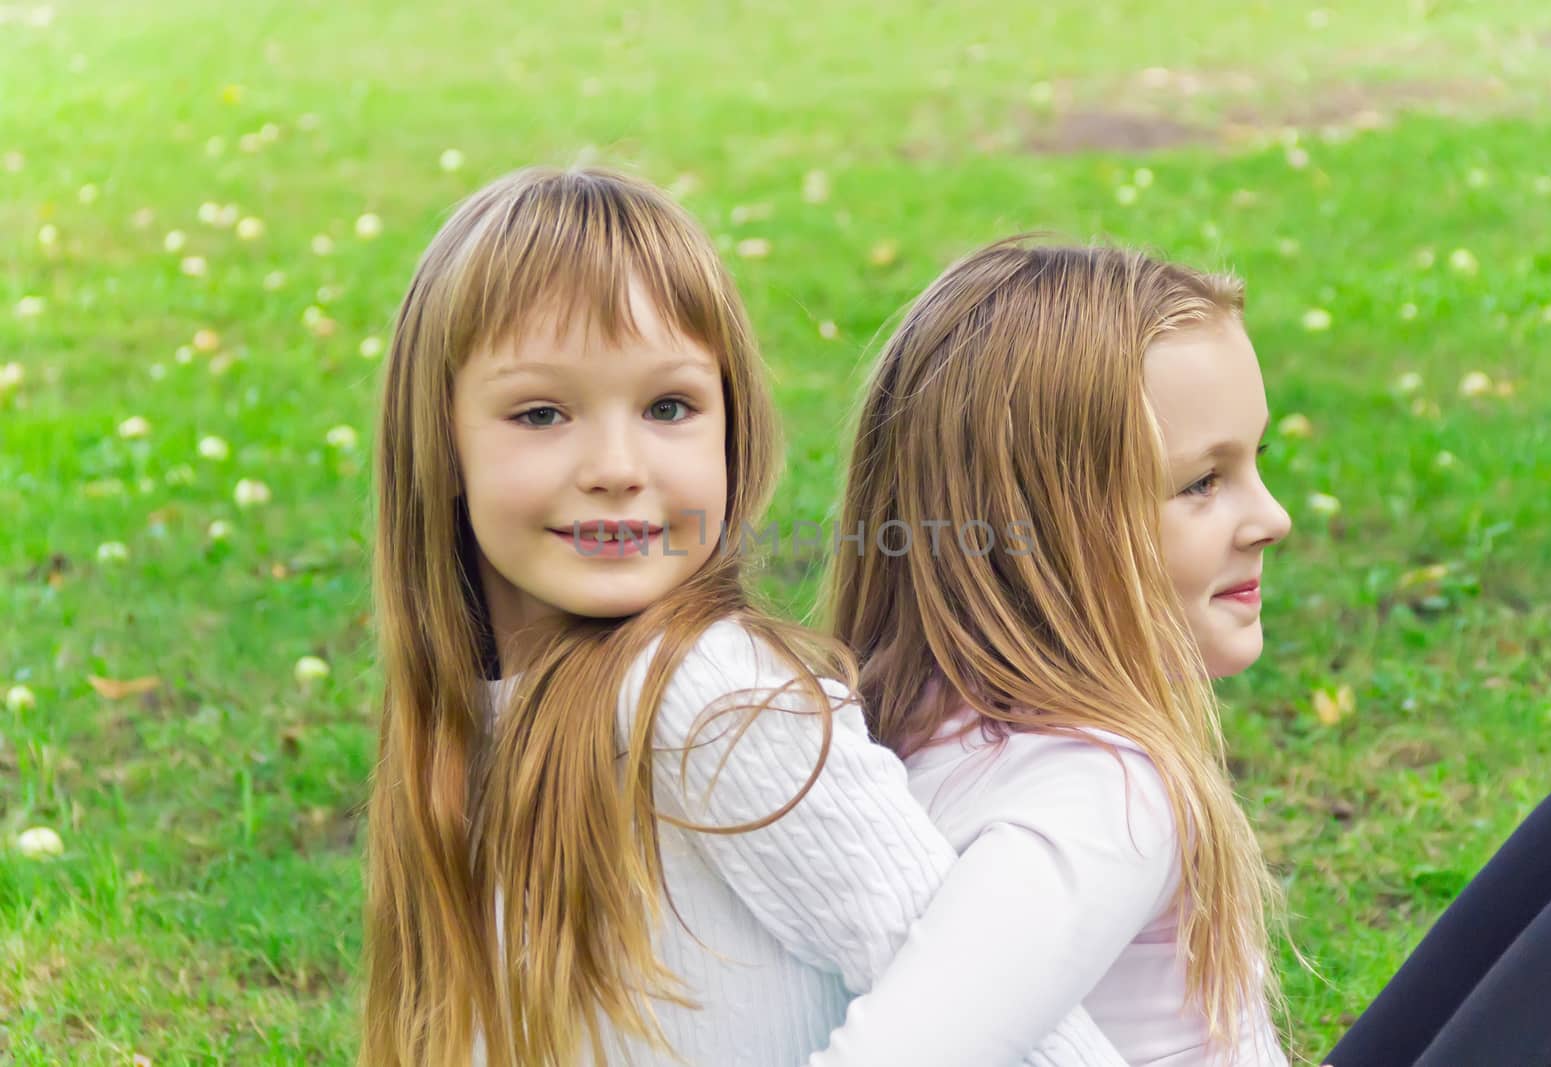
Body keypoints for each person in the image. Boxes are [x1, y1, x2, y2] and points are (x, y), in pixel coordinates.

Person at [358, 168, 1124, 1067]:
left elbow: (991, 1005)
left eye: (669, 406)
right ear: (439, 442)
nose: (616, 464)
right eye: (541, 412)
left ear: (732, 429)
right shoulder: (466, 719)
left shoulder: (713, 692)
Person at [822, 238, 1551, 1066]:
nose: (1273, 517)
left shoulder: (910, 720)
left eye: (1254, 462)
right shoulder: (1099, 798)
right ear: (1036, 535)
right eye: (1201, 483)